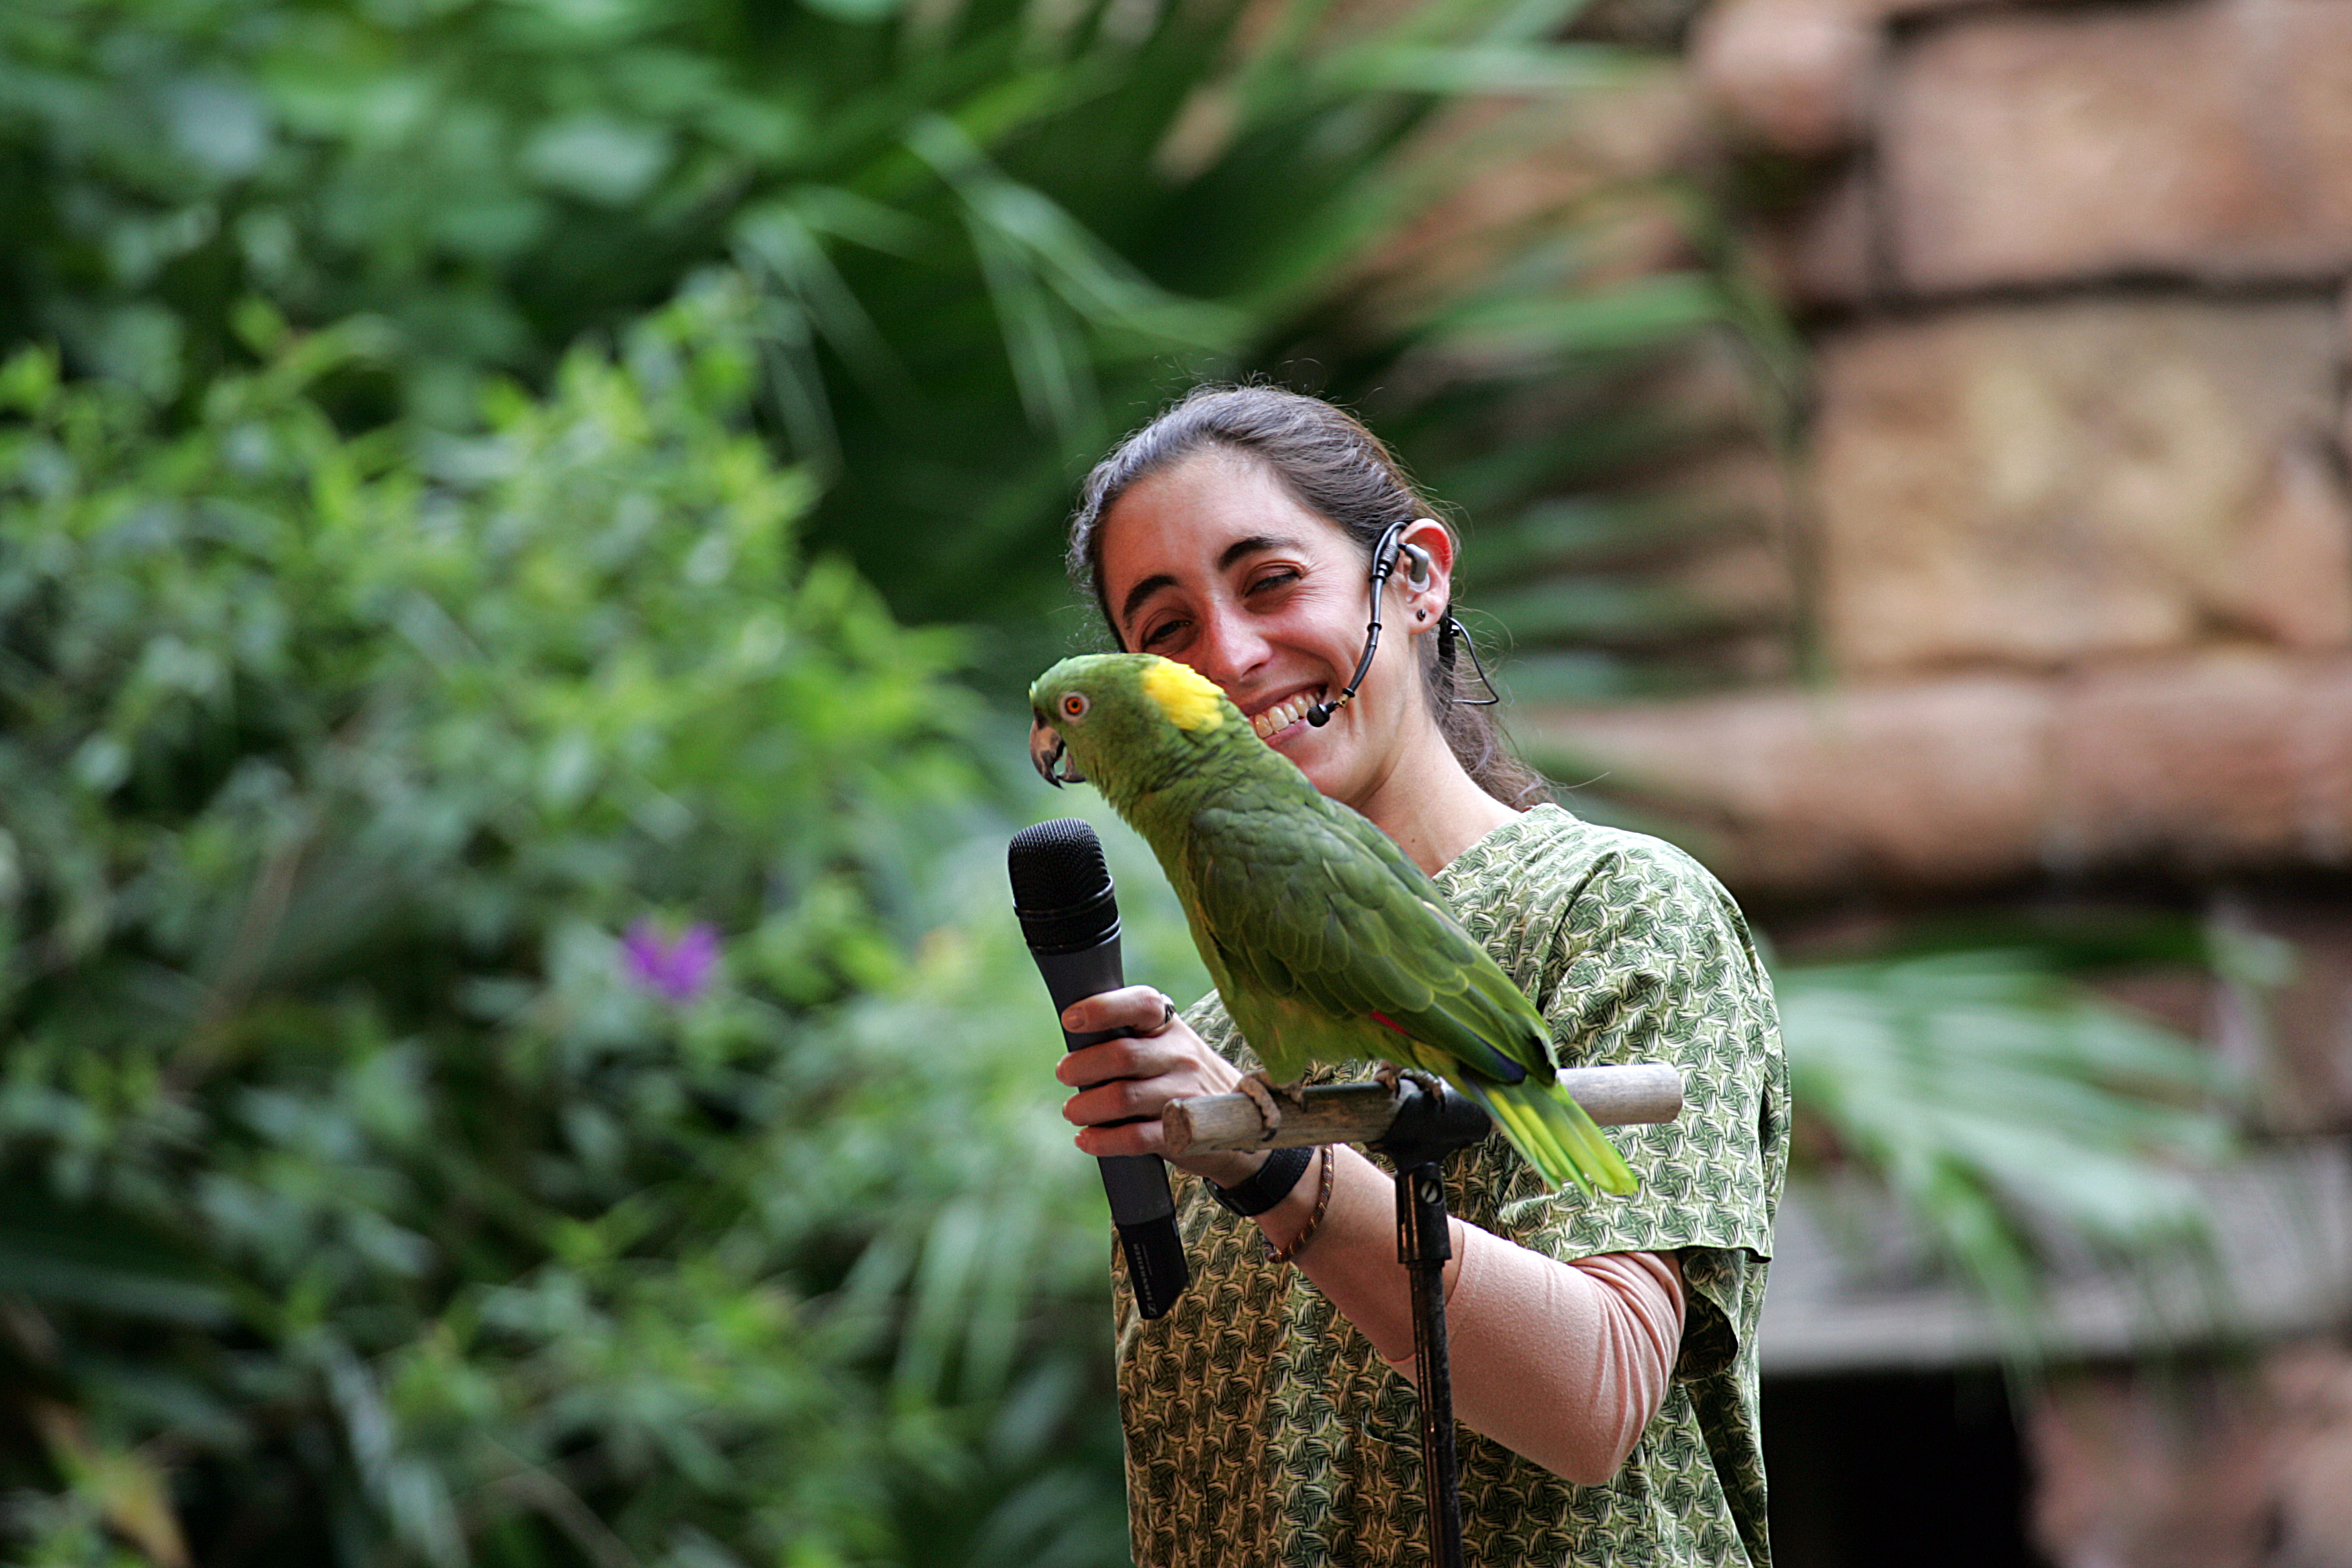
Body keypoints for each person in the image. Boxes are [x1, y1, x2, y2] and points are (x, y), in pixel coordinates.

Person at [1049, 384, 1787, 1565]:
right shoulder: (1203, 1058)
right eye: (1168, 628)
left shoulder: (1616, 912)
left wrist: (1285, 1170)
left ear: (1416, 579)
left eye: (1272, 580)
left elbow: (1596, 1402)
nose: (1232, 655)